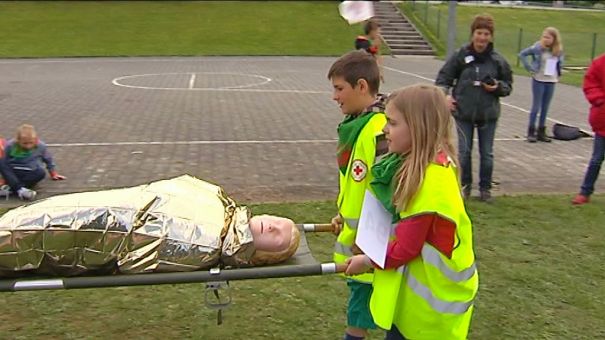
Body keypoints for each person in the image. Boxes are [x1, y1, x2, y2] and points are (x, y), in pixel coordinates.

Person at [345, 84, 479, 339]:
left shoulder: (430, 182)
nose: (385, 129)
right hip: (418, 301)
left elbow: (405, 248)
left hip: (432, 310)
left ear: (419, 128)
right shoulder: (424, 168)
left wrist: (366, 261)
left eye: (392, 123)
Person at [0, 175, 300, 277]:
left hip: (103, 227)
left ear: (263, 257)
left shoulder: (209, 247)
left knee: (41, 230)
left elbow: (135, 249)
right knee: (53, 211)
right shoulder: (222, 201)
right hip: (118, 203)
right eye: (278, 221)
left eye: (278, 237)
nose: (274, 226)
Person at [327, 50, 387, 340]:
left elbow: (386, 191)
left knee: (361, 314)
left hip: (370, 245)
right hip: (358, 241)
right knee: (361, 309)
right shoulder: (356, 126)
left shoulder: (378, 130)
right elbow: (355, 183)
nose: (334, 97)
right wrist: (343, 213)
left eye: (340, 89)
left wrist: (373, 241)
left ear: (362, 86)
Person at [435, 14, 513, 202]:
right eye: (479, 33)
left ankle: (485, 189)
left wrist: (497, 87)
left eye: (486, 34)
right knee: (464, 152)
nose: (482, 38)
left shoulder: (497, 60)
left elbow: (508, 85)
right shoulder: (461, 56)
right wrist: (445, 96)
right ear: (473, 34)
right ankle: (464, 186)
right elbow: (443, 78)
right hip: (464, 113)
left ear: (491, 36)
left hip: (488, 114)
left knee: (487, 154)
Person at [519, 27, 564, 142]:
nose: (546, 39)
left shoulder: (558, 50)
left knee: (545, 107)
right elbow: (522, 54)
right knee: (536, 106)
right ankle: (531, 131)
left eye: (548, 37)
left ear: (554, 39)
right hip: (539, 79)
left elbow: (560, 63)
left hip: (551, 80)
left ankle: (541, 131)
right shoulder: (538, 48)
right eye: (544, 37)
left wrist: (560, 71)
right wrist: (529, 67)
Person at [0, 124, 66, 201]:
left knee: (41, 173)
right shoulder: (10, 145)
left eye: (31, 143)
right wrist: (3, 178)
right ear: (18, 140)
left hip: (30, 171)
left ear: (35, 139)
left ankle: (12, 189)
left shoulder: (41, 146)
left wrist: (53, 173)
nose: (28, 146)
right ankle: (20, 190)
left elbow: (48, 159)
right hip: (14, 170)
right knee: (1, 162)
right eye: (25, 143)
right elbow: (5, 162)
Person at [572, 53, 605, 205]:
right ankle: (585, 191)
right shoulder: (599, 63)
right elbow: (590, 84)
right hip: (603, 121)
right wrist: (600, 100)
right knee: (596, 159)